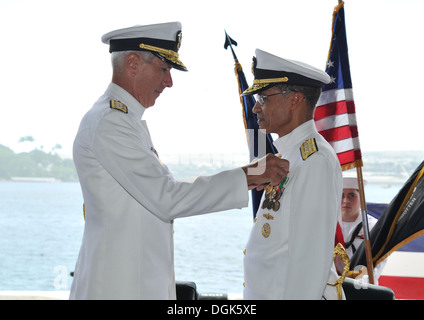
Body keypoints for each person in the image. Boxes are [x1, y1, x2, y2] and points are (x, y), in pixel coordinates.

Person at [70, 22, 289, 300]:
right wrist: (250, 175)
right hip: (118, 287)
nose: (169, 82)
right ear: (133, 63)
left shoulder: (123, 120)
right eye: (164, 69)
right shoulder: (111, 122)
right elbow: (167, 197)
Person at [242, 49, 343, 300]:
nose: (255, 108)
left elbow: (308, 265)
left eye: (263, 98)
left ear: (295, 100)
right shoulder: (290, 155)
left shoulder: (314, 161)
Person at [339, 175, 386, 283]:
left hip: (362, 286)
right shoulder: (329, 225)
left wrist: (356, 281)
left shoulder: (373, 227)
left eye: (352, 195)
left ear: (362, 198)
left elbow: (378, 262)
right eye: (341, 195)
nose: (346, 200)